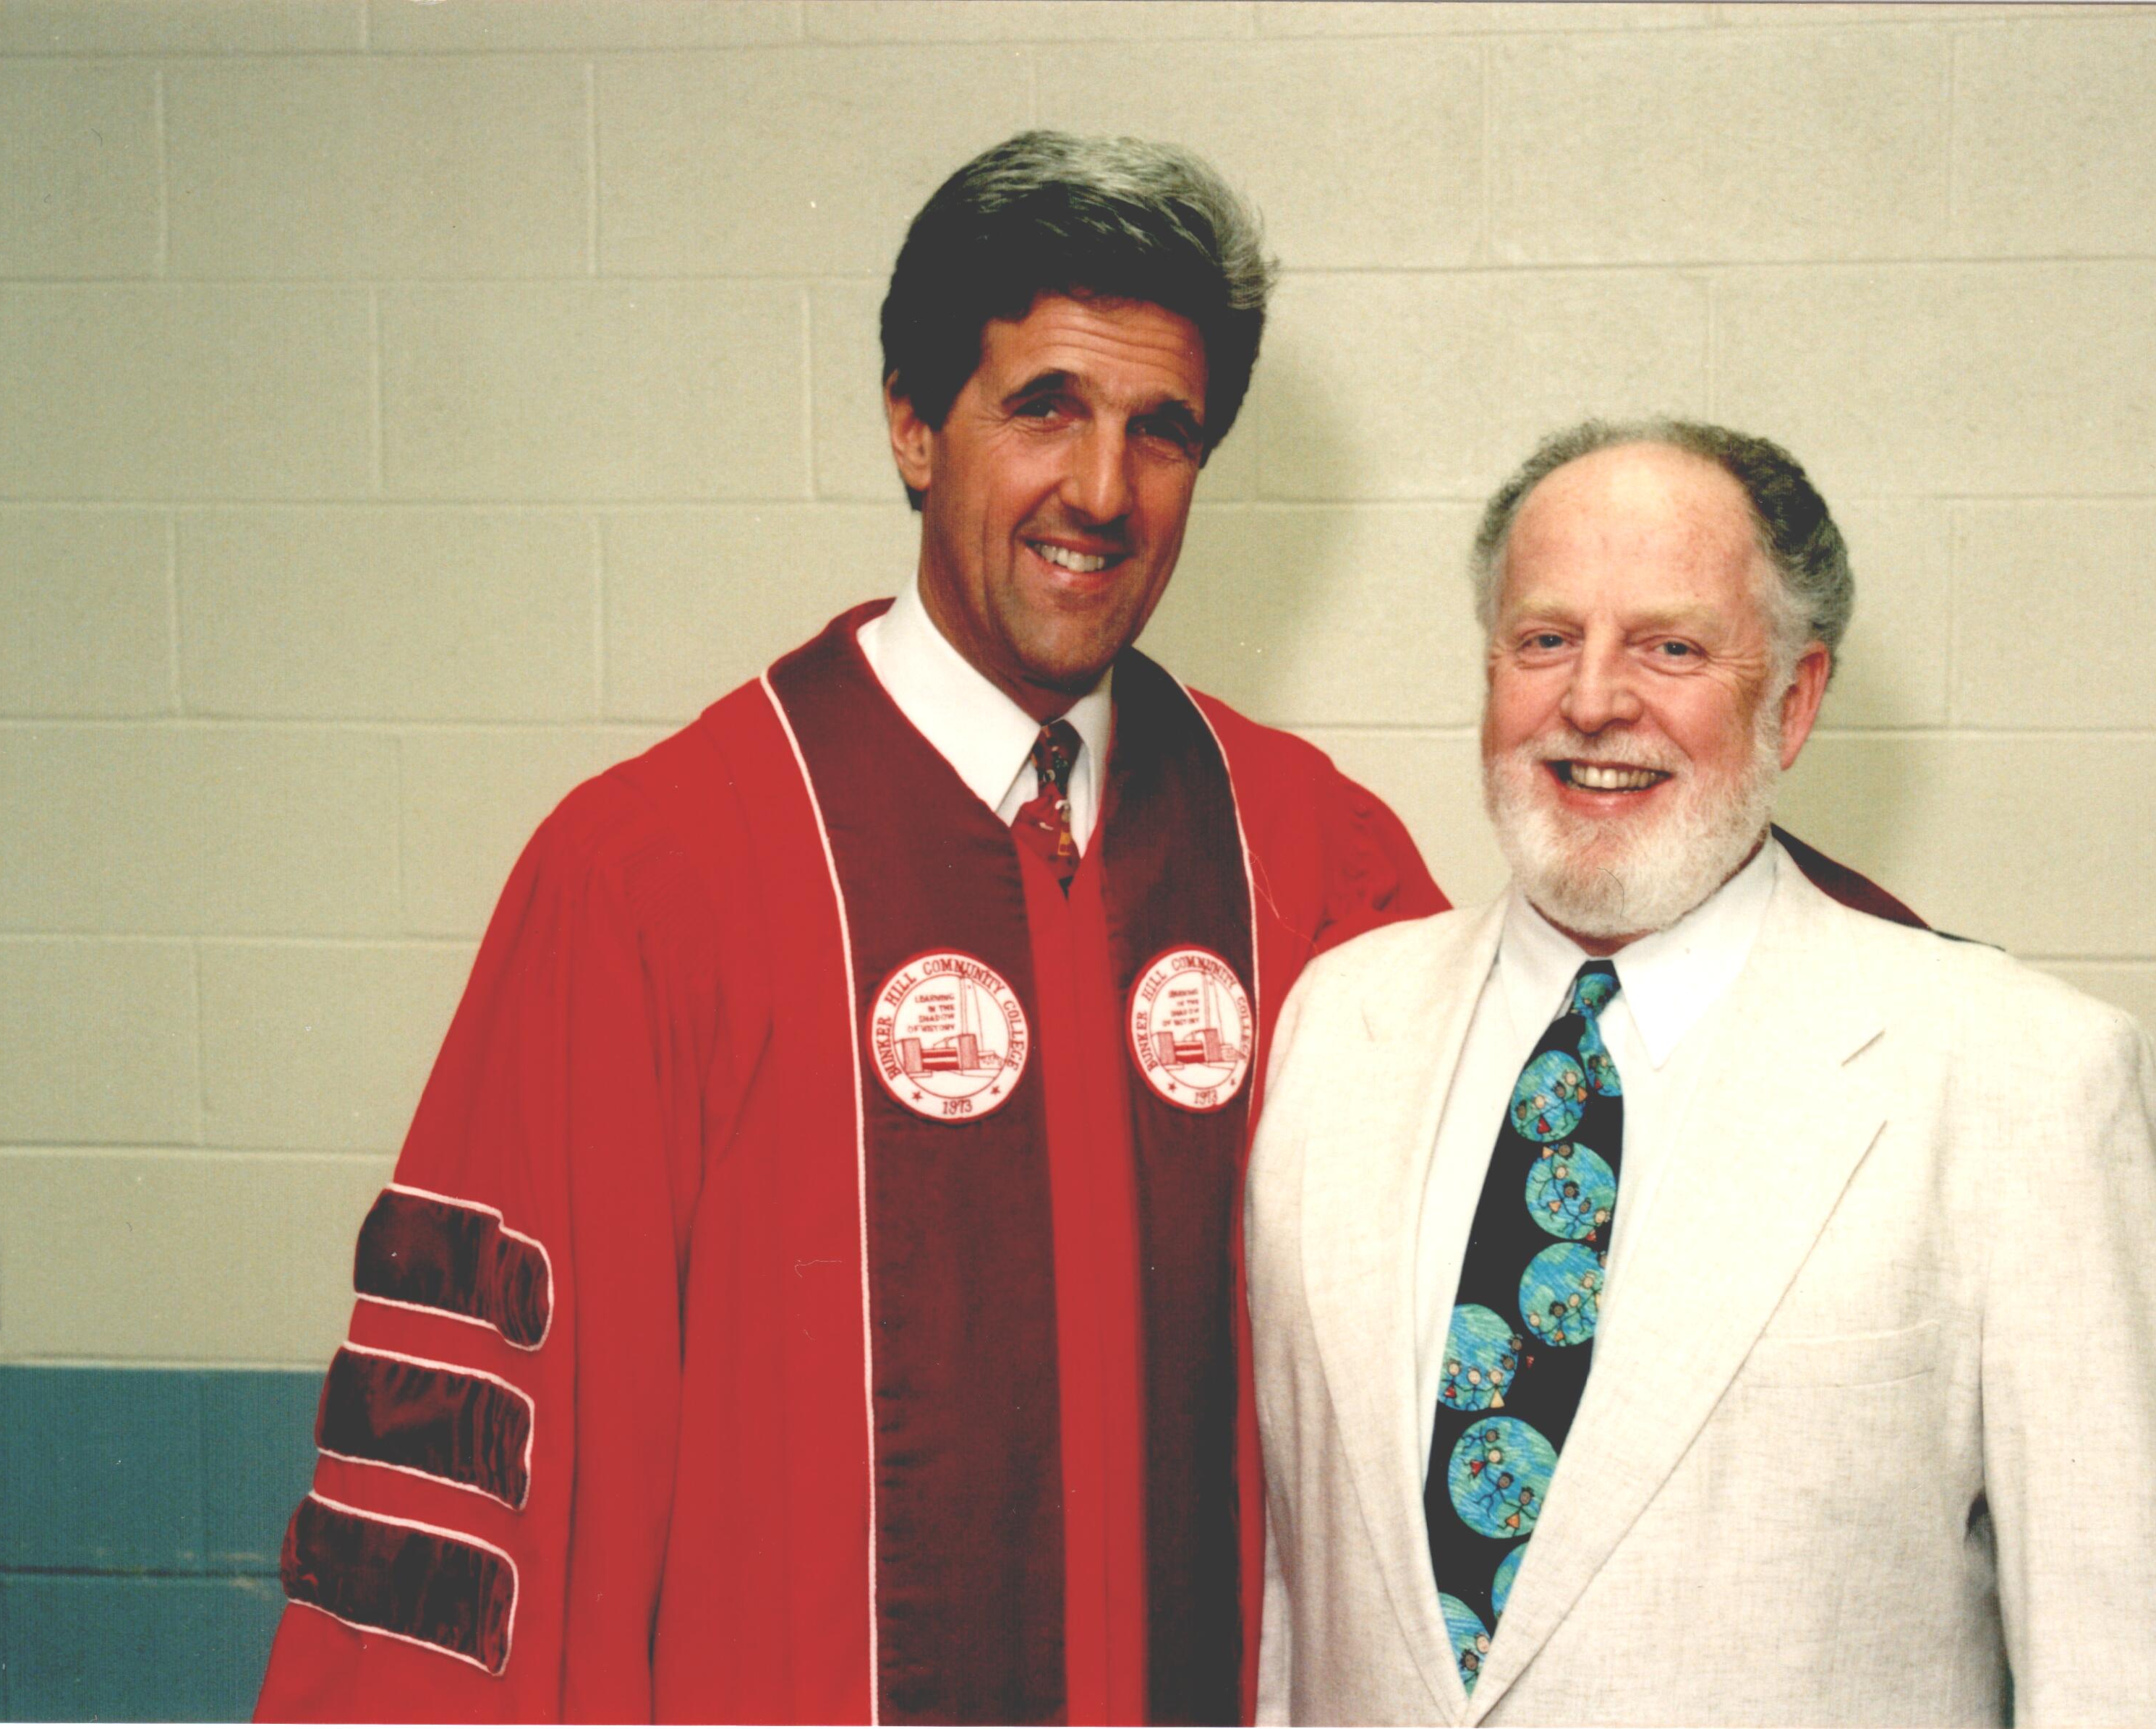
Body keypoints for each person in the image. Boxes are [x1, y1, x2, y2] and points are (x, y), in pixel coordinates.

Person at [251, 132, 1454, 1725]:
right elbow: (489, 1498)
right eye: (1043, 408)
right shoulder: (651, 878)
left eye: (1160, 432)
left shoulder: (1308, 859)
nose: (1102, 491)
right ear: (912, 422)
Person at [1245, 419, 2156, 1725]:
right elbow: (1291, 1622)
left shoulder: (2028, 1082)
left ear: (1795, 699)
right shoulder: (1337, 1025)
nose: (1593, 700)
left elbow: (2137, 1683)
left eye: (1671, 648)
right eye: (1545, 639)